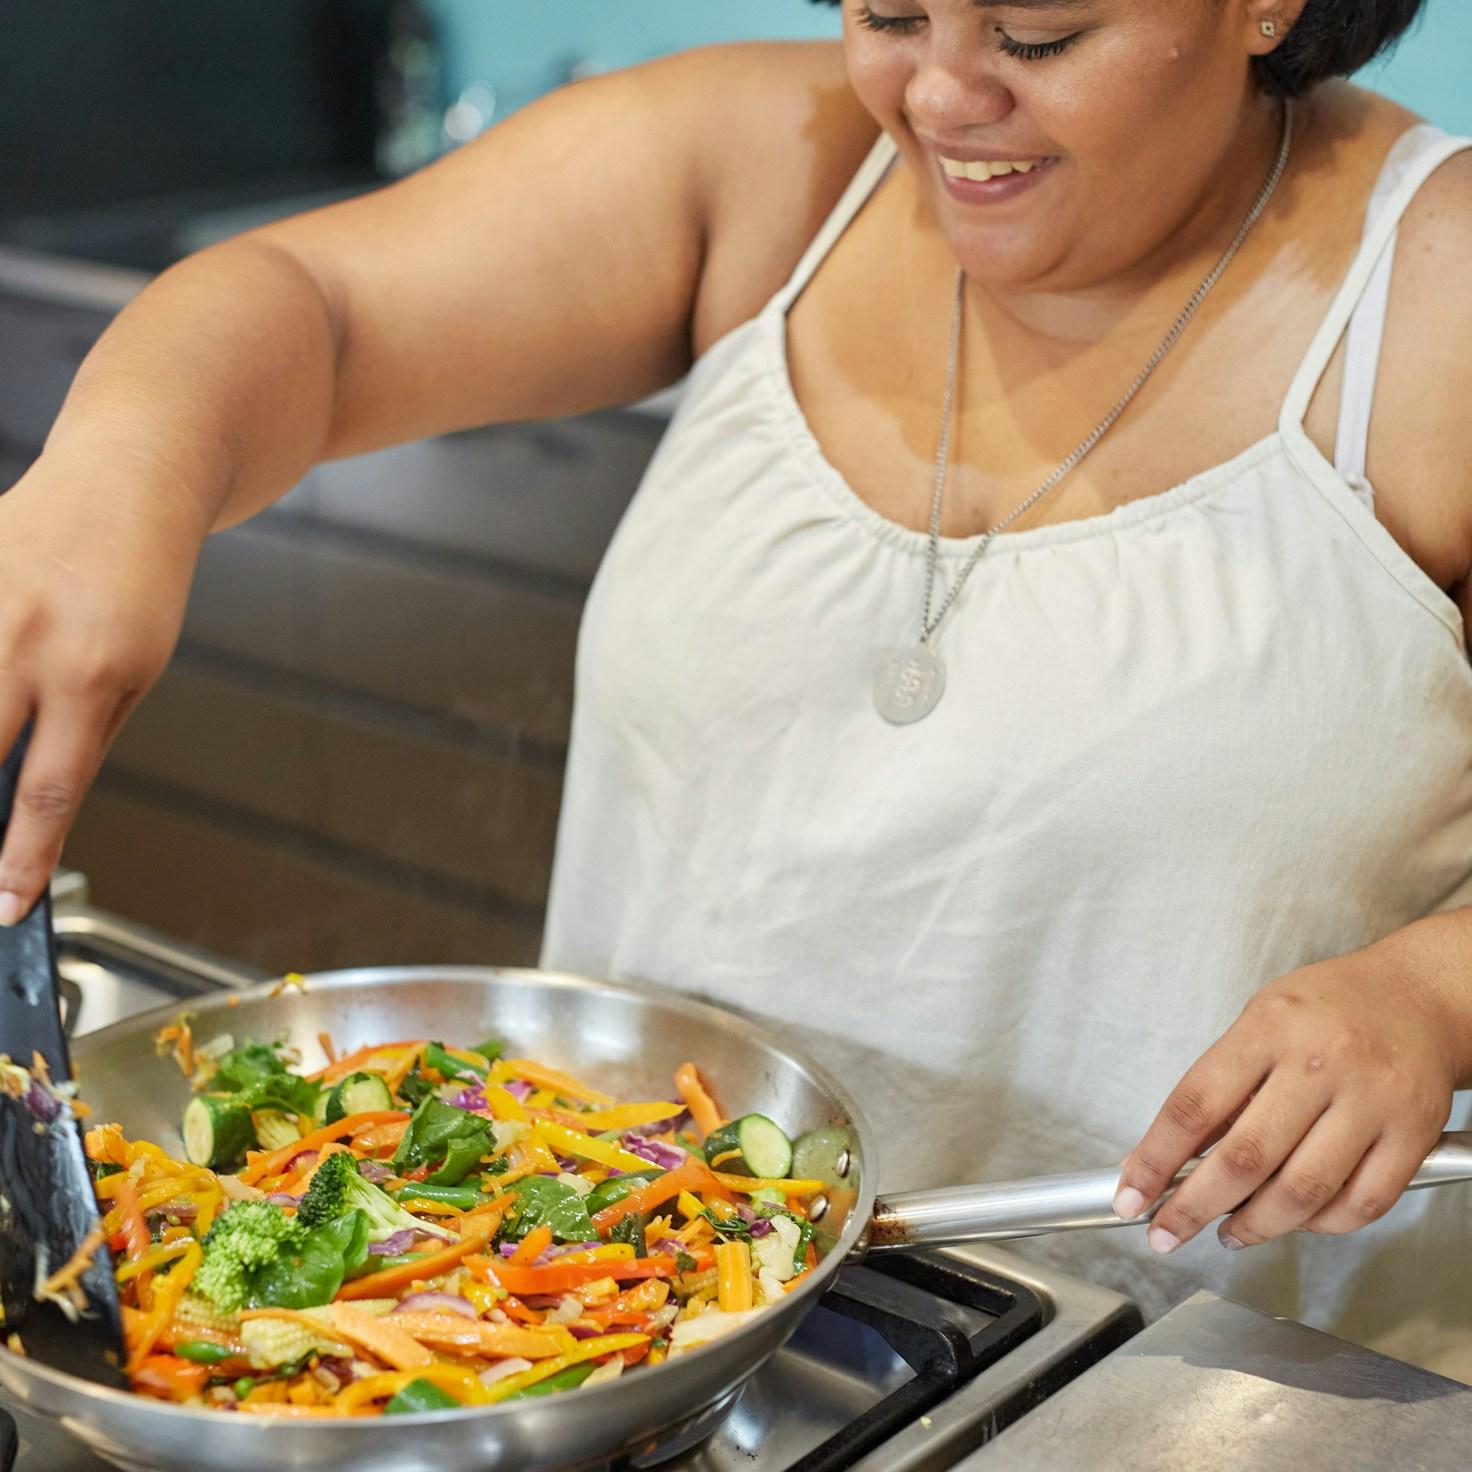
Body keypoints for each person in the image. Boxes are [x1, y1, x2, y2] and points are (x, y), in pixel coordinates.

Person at [3, 0, 1471, 1376]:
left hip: (1216, 1383)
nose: (942, 94)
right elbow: (313, 306)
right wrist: (119, 473)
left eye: (1038, 31)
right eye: (890, 11)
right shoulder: (777, 166)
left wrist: (1433, 989)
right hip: (648, 1332)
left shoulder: (1436, 294)